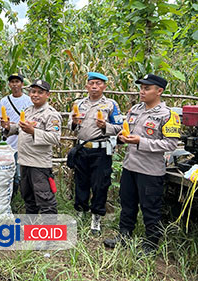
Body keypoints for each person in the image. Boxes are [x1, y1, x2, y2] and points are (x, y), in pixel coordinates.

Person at [104, 74, 179, 253]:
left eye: (147, 88)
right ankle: (124, 236)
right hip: (130, 167)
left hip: (150, 171)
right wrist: (121, 138)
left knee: (150, 209)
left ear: (159, 91)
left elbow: (170, 144)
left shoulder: (168, 115)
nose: (142, 91)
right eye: (141, 88)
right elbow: (125, 131)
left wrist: (140, 142)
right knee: (127, 204)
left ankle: (151, 244)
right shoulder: (135, 110)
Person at [68, 72, 123, 235]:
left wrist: (105, 126)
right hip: (82, 148)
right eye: (91, 83)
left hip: (101, 150)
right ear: (86, 86)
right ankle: (80, 212)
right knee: (81, 182)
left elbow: (120, 127)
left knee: (100, 185)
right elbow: (71, 126)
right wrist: (73, 122)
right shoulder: (79, 103)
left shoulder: (111, 105)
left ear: (104, 86)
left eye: (98, 83)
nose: (94, 86)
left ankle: (96, 219)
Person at [2, 79, 61, 214]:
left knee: (45, 200)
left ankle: (50, 233)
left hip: (39, 164)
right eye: (33, 91)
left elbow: (55, 138)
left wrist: (33, 131)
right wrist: (9, 127)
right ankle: (30, 231)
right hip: (24, 161)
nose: (35, 95)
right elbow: (20, 128)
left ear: (47, 95)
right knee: (29, 199)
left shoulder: (51, 114)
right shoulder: (29, 111)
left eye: (40, 92)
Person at [0, 73, 33, 195]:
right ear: (9, 85)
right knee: (8, 173)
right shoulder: (4, 101)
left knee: (19, 174)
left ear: (22, 84)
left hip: (23, 141)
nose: (14, 84)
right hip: (8, 142)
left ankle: (20, 196)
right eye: (12, 82)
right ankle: (9, 197)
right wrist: (4, 124)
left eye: (17, 82)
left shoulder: (28, 101)